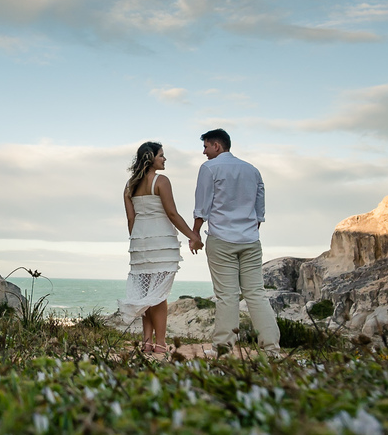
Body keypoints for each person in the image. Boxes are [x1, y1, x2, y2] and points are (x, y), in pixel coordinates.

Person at [190, 129, 280, 356]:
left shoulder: (209, 168)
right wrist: (246, 232)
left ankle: (224, 349)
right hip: (250, 241)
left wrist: (195, 234)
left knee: (227, 296)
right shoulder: (253, 170)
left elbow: (202, 206)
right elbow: (259, 213)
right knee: (256, 294)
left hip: (221, 240)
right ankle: (272, 350)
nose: (204, 152)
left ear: (217, 146)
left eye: (206, 147)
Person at [118, 141, 202, 354]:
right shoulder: (161, 181)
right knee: (159, 294)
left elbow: (131, 219)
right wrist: (193, 236)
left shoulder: (129, 185)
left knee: (147, 294)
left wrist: (137, 243)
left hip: (140, 243)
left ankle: (146, 342)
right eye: (161, 155)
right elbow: (172, 214)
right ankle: (161, 344)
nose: (164, 159)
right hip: (162, 242)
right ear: (150, 157)